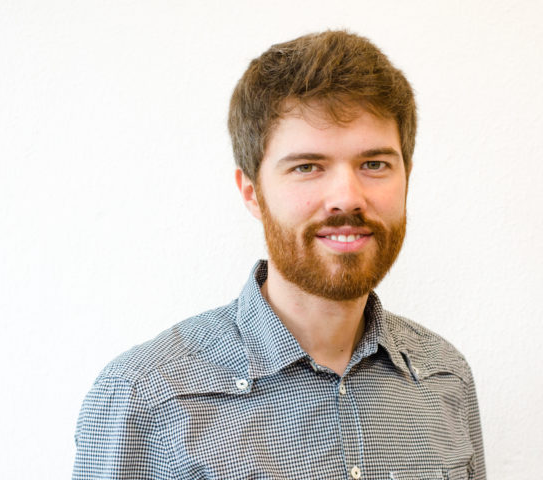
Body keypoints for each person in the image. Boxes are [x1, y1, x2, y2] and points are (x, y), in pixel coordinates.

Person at [72, 30, 486, 480]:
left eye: (374, 164)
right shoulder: (144, 398)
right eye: (307, 167)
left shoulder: (445, 376)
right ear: (252, 192)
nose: (347, 198)